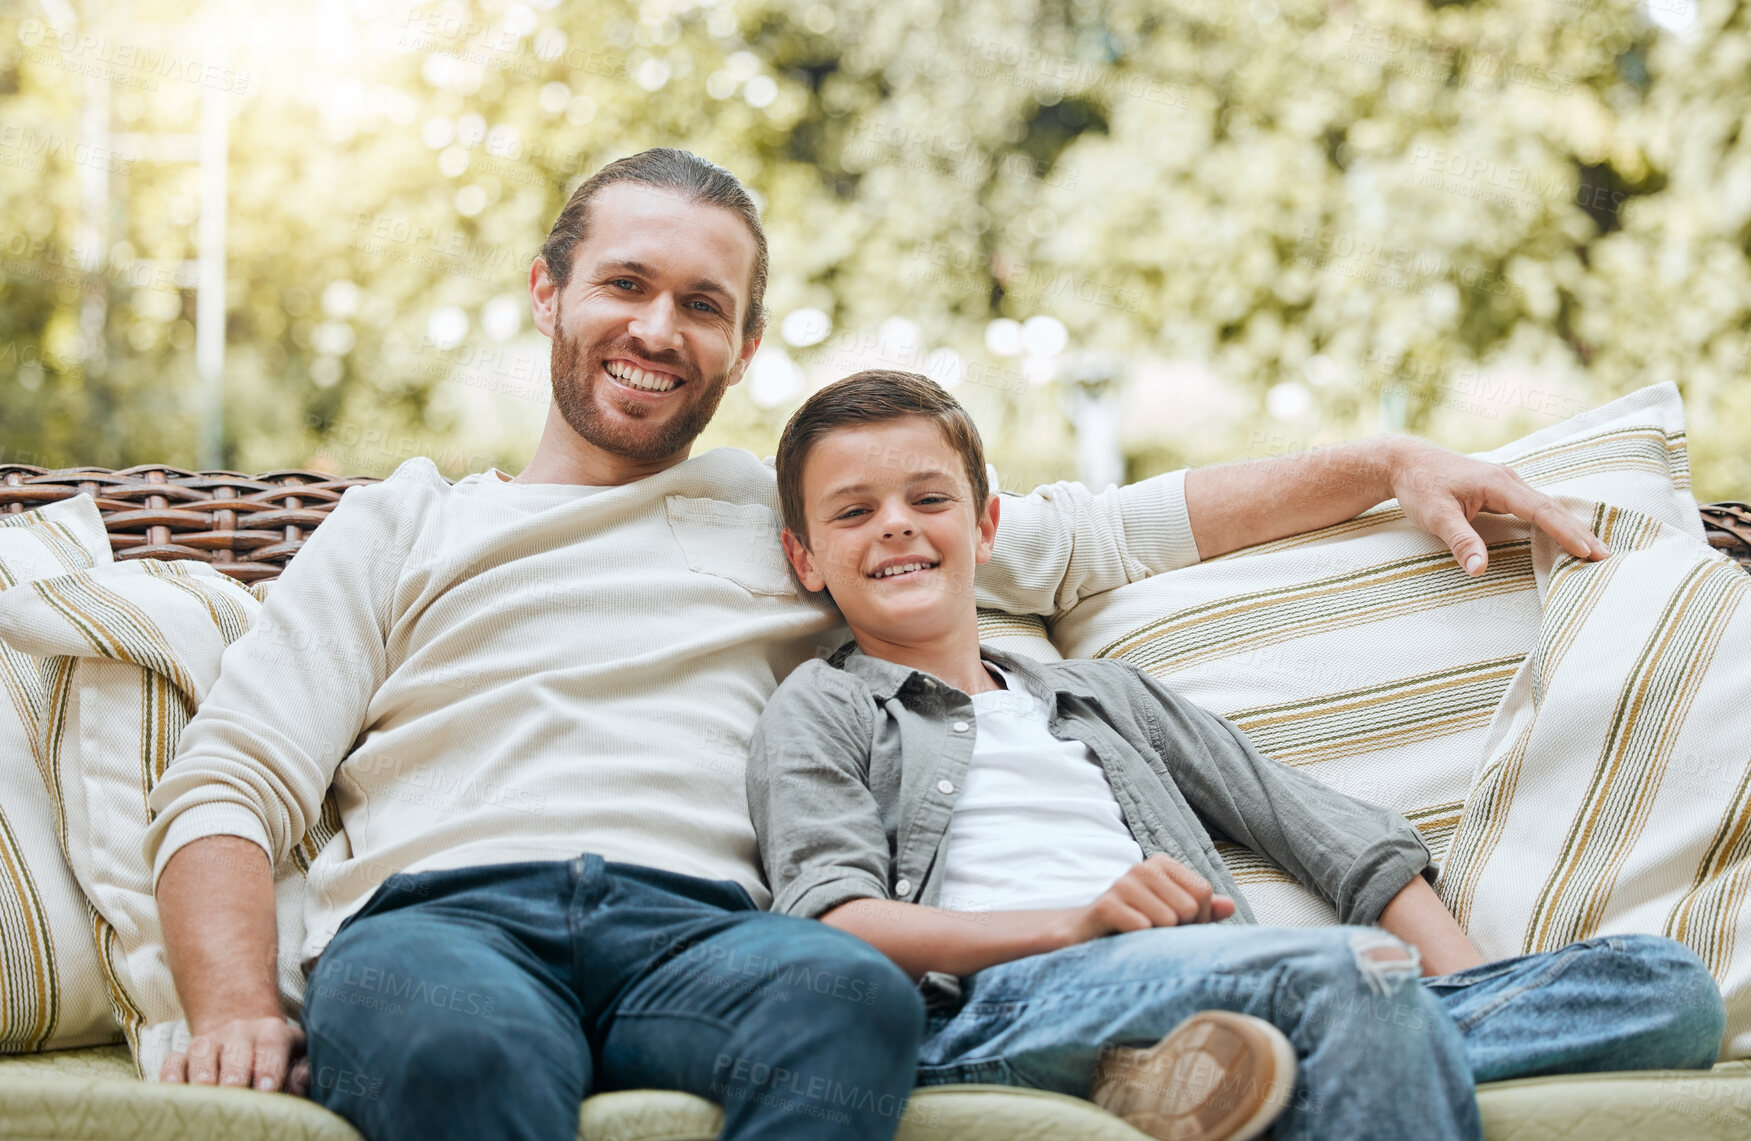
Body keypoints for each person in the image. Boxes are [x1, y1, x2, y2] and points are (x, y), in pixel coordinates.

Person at [147, 148, 1614, 1141]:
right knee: (460, 1050)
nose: (656, 327)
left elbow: (1107, 533)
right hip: (446, 915)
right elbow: (229, 786)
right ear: (550, 293)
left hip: (707, 933)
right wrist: (229, 1008)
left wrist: (1383, 463)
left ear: (740, 344)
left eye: (701, 306)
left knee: (844, 994)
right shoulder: (406, 523)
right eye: (624, 284)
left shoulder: (804, 514)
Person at [746, 368, 1727, 1141]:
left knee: (1665, 990)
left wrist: (1454, 992)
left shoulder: (1106, 699)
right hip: (997, 1011)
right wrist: (1072, 923)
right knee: (1344, 976)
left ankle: (1207, 1075)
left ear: (983, 525)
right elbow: (837, 921)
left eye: (927, 497)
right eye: (852, 512)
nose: (896, 528)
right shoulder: (821, 705)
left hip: (1218, 976)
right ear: (805, 558)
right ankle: (1303, 1038)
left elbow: (1330, 836)